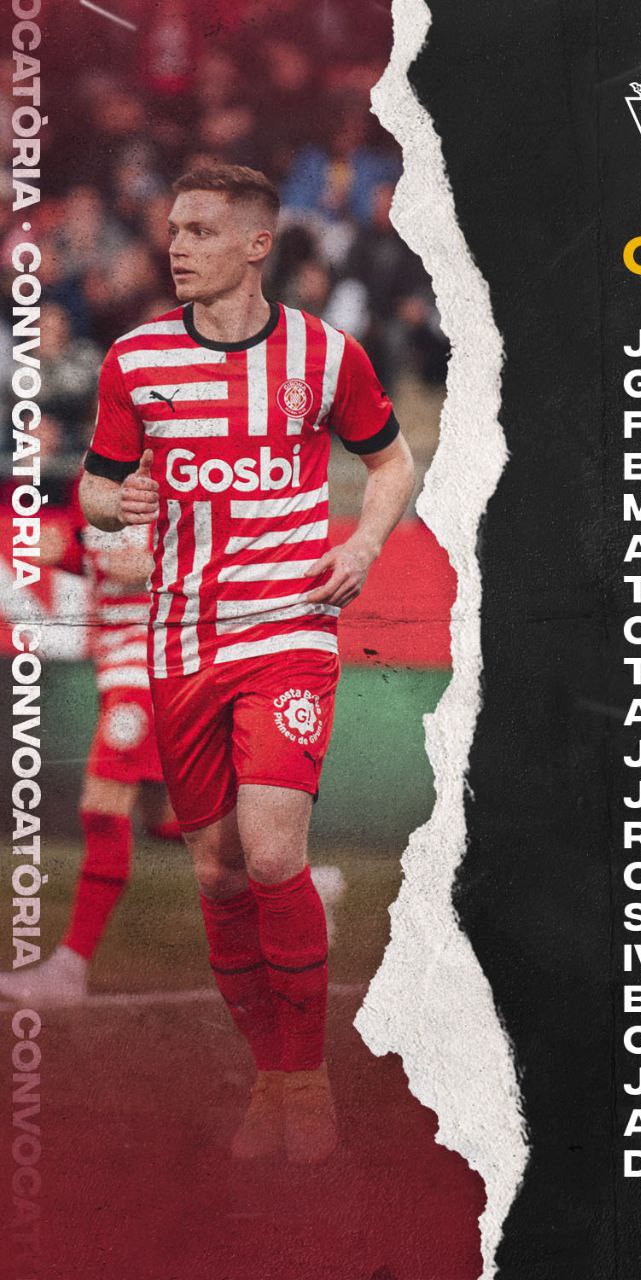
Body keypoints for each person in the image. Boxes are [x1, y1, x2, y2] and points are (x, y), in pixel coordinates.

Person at [77, 162, 416, 1164]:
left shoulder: (325, 355)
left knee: (271, 853)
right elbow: (95, 486)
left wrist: (362, 545)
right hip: (180, 637)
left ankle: (305, 1085)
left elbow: (392, 461)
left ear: (257, 244)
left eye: (200, 230)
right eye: (174, 229)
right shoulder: (137, 358)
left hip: (286, 632)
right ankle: (273, 1077)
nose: (176, 246)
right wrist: (119, 503)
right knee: (219, 871)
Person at [0, 510, 182, 1008]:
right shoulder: (104, 487)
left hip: (146, 667)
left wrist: (80, 545)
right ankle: (291, 882)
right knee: (167, 820)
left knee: (102, 812)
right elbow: (98, 560)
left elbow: (148, 562)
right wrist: (66, 554)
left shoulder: (165, 481)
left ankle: (69, 969)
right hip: (121, 664)